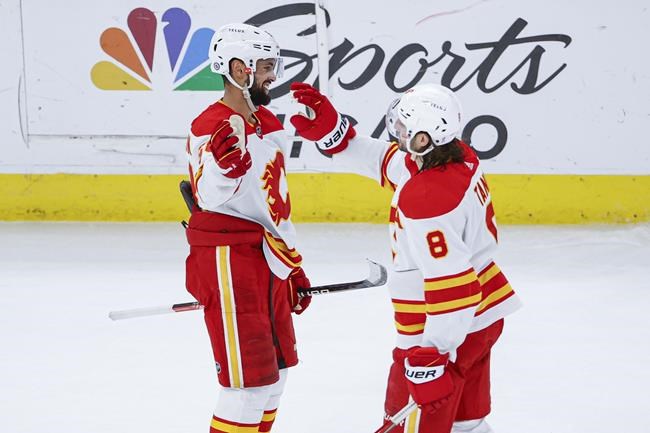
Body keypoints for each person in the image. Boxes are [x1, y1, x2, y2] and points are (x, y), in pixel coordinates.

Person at [290, 82, 522, 433]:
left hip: (440, 329)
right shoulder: (453, 156)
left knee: (409, 427)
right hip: (483, 316)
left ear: (424, 138)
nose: (396, 130)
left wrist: (432, 356)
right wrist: (335, 135)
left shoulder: (429, 198)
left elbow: (453, 286)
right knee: (466, 423)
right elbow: (387, 161)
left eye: (404, 126)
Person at [184, 23, 311, 433]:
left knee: (276, 376)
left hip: (268, 257)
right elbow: (208, 195)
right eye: (266, 67)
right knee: (247, 388)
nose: (273, 75)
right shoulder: (210, 124)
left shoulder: (268, 123)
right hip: (230, 261)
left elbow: (274, 203)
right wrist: (224, 170)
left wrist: (291, 265)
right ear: (241, 69)